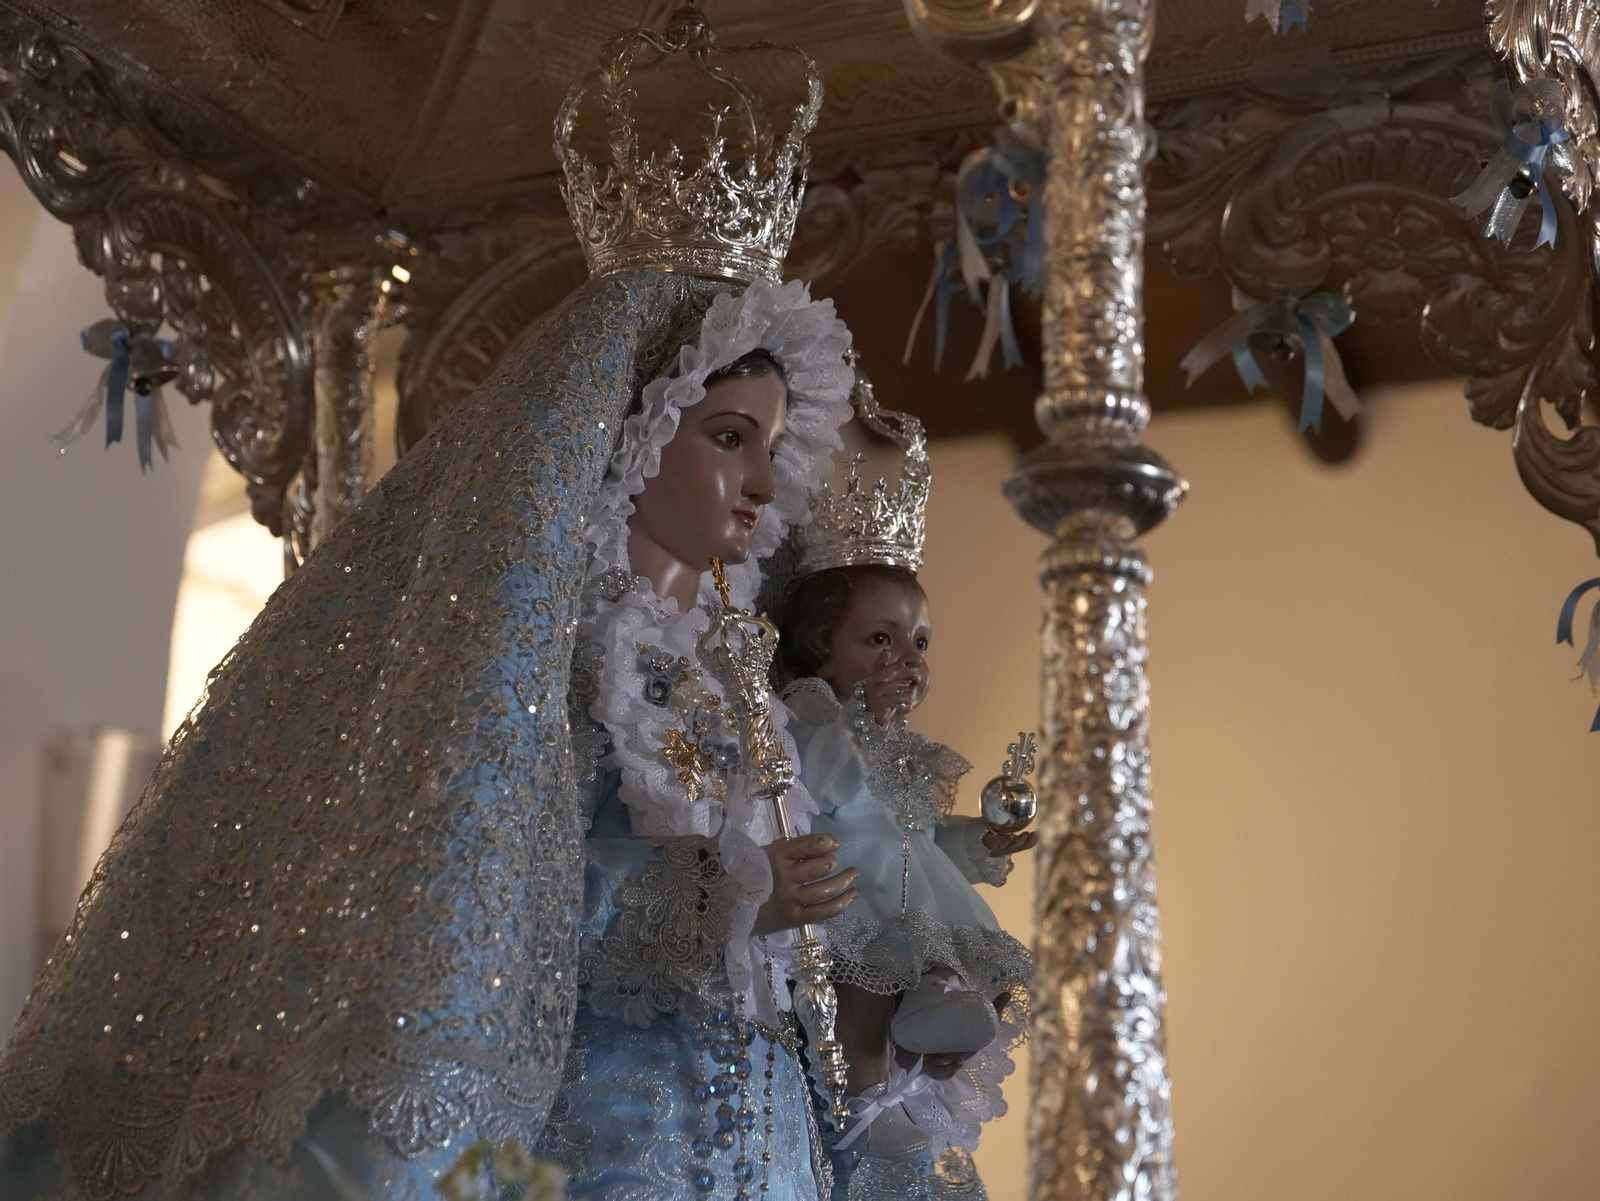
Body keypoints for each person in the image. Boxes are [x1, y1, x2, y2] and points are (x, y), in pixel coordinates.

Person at [0, 13, 862, 1200]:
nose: (763, 482)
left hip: (760, 1141)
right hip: (591, 1133)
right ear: (632, 430)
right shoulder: (548, 654)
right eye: (726, 437)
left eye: (769, 445)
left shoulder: (734, 675)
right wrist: (725, 897)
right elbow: (498, 916)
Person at [770, 364, 1034, 1186]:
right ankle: (869, 1100)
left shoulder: (904, 744)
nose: (906, 661)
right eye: (878, 640)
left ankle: (936, 1038)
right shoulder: (812, 708)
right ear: (821, 647)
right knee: (867, 992)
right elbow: (833, 785)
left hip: (912, 878)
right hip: (854, 886)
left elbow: (921, 824)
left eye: (918, 642)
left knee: (951, 963)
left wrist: (977, 837)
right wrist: (857, 724)